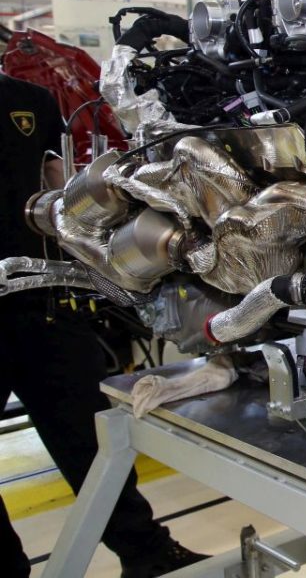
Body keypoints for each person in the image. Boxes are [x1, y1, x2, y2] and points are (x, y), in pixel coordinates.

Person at [0, 73, 205, 577]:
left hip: (41, 298)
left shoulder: (29, 101)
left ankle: (146, 552)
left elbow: (58, 180)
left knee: (89, 436)